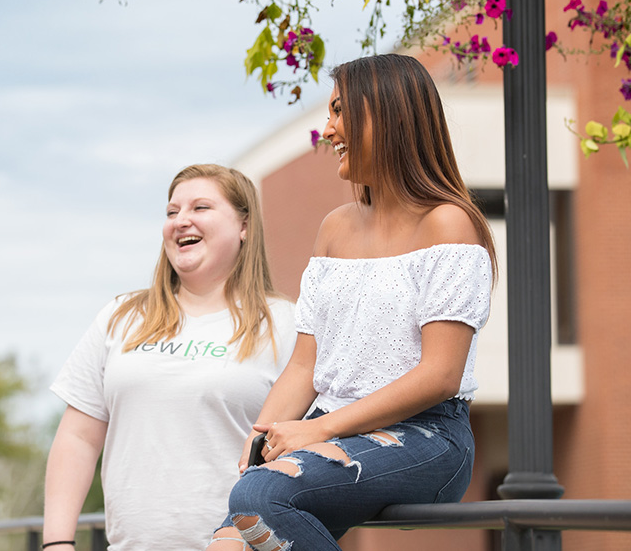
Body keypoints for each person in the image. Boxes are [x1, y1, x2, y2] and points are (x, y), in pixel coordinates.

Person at [208, 54, 497, 551]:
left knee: (259, 498)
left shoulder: (448, 224)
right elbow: (304, 365)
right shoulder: (334, 228)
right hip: (331, 430)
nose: (329, 128)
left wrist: (315, 431)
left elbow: (440, 374)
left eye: (340, 110)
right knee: (229, 542)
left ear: (385, 115)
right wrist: (262, 439)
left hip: (427, 438)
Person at [42, 164, 297, 550]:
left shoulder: (286, 324)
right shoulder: (121, 317)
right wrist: (57, 543)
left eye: (200, 208)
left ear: (244, 225)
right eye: (171, 211)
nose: (180, 221)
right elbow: (78, 437)